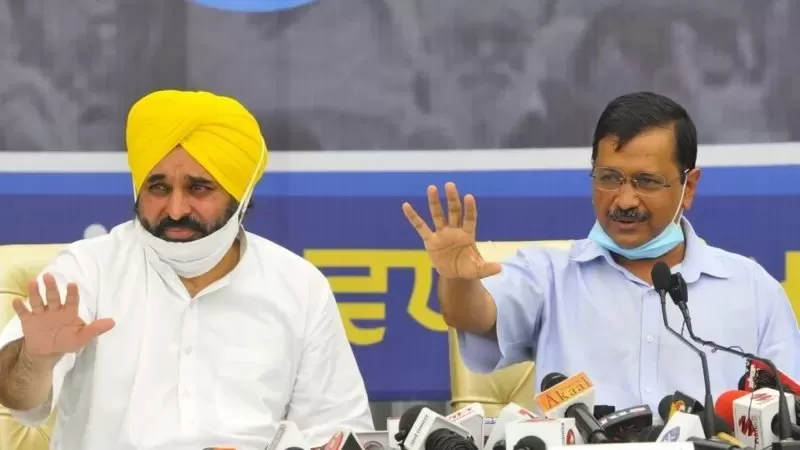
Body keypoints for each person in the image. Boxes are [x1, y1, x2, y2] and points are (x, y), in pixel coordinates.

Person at [0, 90, 373, 449]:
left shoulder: (299, 286)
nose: (176, 209)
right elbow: (18, 396)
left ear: (241, 196)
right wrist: (36, 359)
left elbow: (337, 430)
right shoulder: (89, 269)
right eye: (158, 188)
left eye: (199, 188)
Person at [402, 91, 800, 414]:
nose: (624, 200)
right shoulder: (549, 275)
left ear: (688, 187)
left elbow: (787, 417)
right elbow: (472, 316)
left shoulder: (751, 289)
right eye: (609, 178)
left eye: (646, 182)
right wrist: (456, 278)